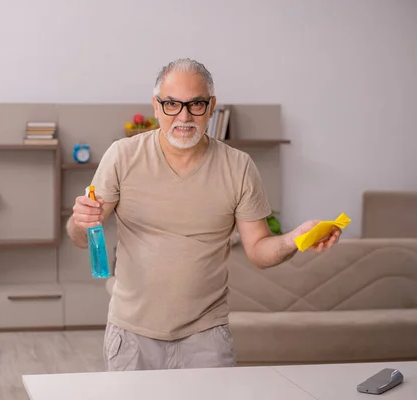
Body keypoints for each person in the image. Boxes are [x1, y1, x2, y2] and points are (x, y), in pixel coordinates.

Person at [66, 58, 342, 371]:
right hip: (131, 334)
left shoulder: (238, 167)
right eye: (172, 104)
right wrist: (81, 221)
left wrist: (296, 238)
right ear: (156, 107)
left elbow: (259, 250)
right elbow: (81, 238)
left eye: (195, 104)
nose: (183, 116)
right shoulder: (122, 155)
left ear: (211, 107)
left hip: (206, 336)